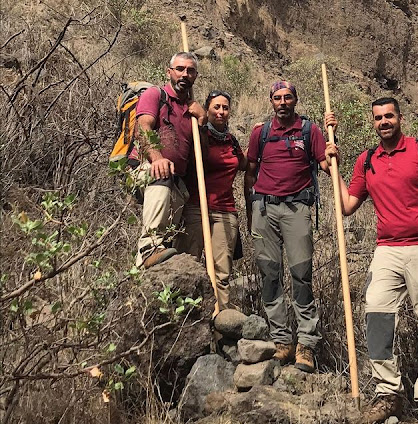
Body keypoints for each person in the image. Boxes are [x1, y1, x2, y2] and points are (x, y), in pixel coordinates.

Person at [325, 97, 418, 424]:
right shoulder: (366, 160)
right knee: (376, 312)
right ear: (373, 122)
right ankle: (388, 393)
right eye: (379, 118)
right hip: (388, 250)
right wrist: (333, 169)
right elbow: (348, 206)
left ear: (400, 118)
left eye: (389, 116)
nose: (384, 122)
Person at [244, 81, 335, 373]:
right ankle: (281, 340)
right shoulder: (261, 132)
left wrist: (333, 148)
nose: (282, 102)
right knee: (270, 275)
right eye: (277, 98)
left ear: (295, 100)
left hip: (297, 209)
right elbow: (251, 169)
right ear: (271, 101)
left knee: (301, 275)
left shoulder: (310, 131)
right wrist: (251, 209)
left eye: (288, 97)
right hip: (264, 209)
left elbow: (324, 164)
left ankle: (306, 343)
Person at [132, 52, 206, 268]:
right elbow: (142, 128)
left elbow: (202, 153)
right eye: (180, 69)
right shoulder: (155, 94)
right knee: (161, 175)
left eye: (190, 71)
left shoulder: (193, 111)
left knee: (190, 225)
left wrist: (201, 120)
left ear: (195, 76)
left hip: (177, 182)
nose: (185, 74)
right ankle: (149, 248)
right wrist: (157, 158)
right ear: (169, 72)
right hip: (147, 169)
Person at [175, 90, 247, 310]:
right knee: (188, 266)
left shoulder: (231, 141)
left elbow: (245, 164)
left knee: (222, 272)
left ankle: (221, 320)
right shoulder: (198, 135)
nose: (221, 111)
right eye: (216, 107)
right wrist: (199, 123)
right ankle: (187, 320)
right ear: (208, 109)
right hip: (196, 207)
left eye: (225, 107)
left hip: (225, 210)